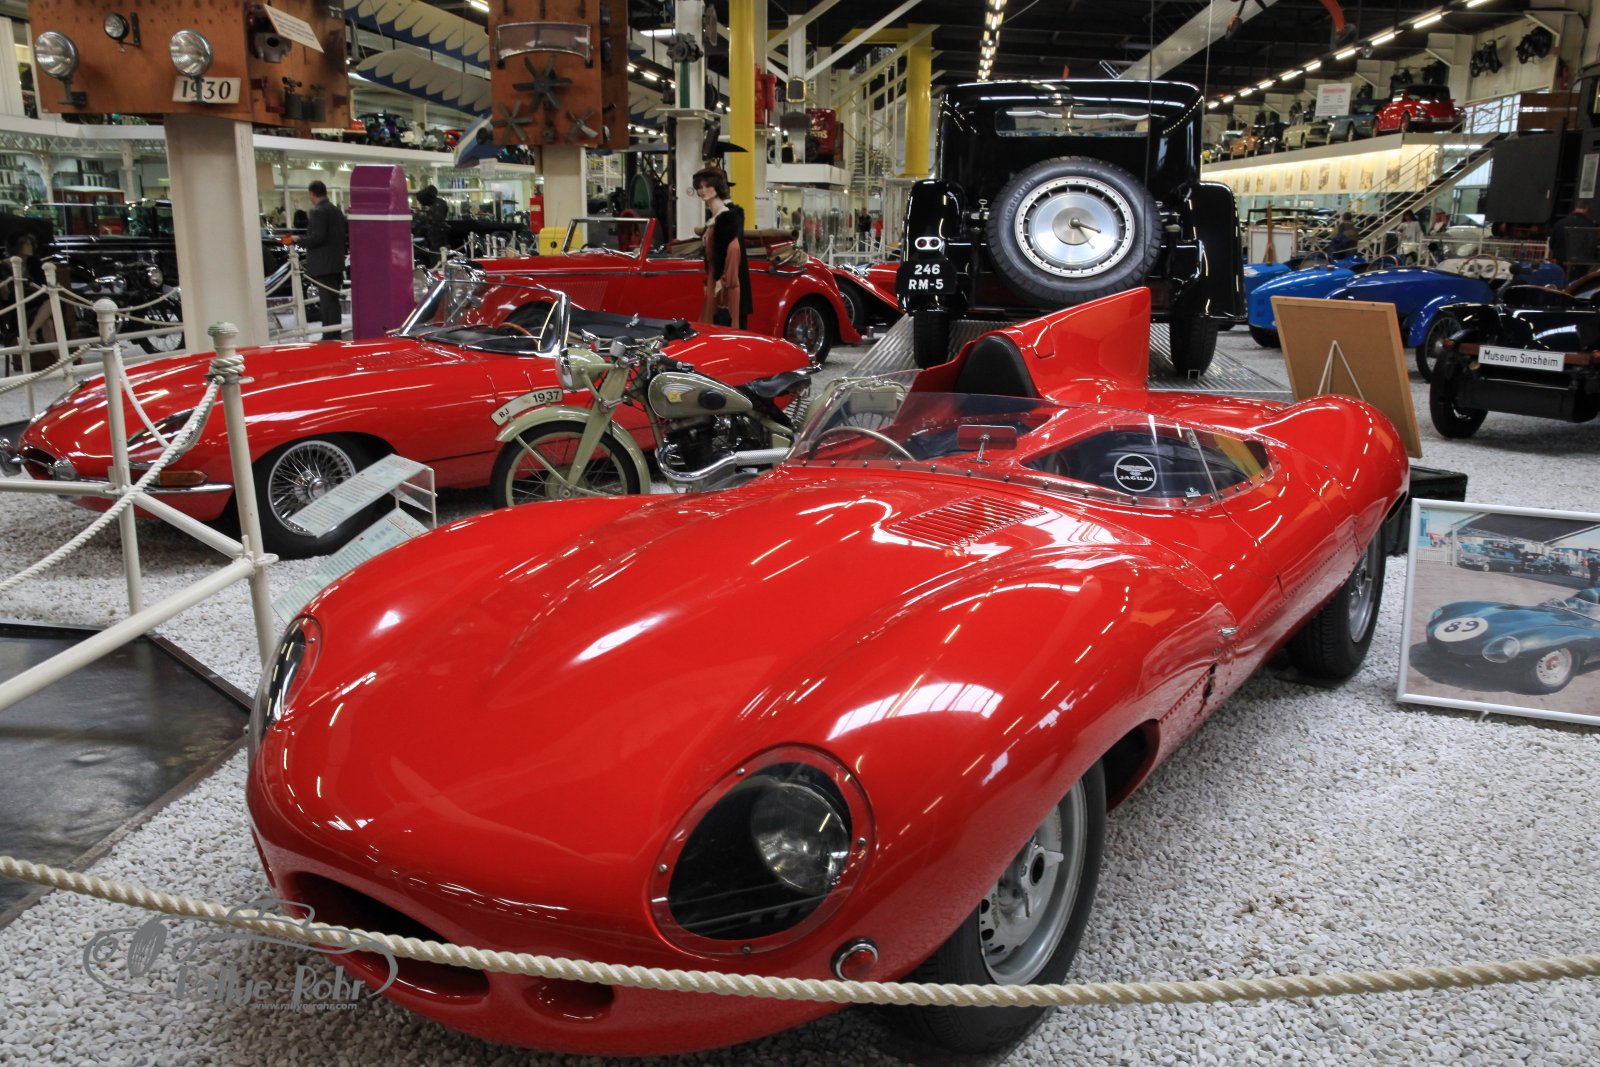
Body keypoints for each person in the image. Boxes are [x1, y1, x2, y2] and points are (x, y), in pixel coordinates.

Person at [692, 166, 751, 329]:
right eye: (700, 187)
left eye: (708, 185)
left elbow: (732, 255)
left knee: (723, 329)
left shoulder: (728, 218)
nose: (703, 190)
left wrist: (720, 283)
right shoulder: (717, 218)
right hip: (715, 281)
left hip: (724, 285)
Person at [295, 180, 347, 342]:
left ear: (312, 194)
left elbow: (317, 237)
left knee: (327, 303)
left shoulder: (318, 212)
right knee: (333, 302)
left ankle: (329, 336)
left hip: (323, 265)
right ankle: (334, 334)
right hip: (336, 263)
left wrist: (298, 240)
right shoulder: (336, 211)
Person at [1549, 204, 1593, 283]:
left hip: (1562, 259)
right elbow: (1591, 243)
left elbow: (1552, 243)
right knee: (1578, 283)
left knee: (1562, 281)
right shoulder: (1589, 224)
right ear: (1586, 210)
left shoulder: (1559, 223)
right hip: (1581, 261)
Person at [413, 184, 448, 264]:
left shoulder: (438, 205)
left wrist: (425, 219)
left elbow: (436, 220)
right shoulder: (439, 203)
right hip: (435, 234)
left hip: (436, 234)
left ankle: (436, 265)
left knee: (436, 254)